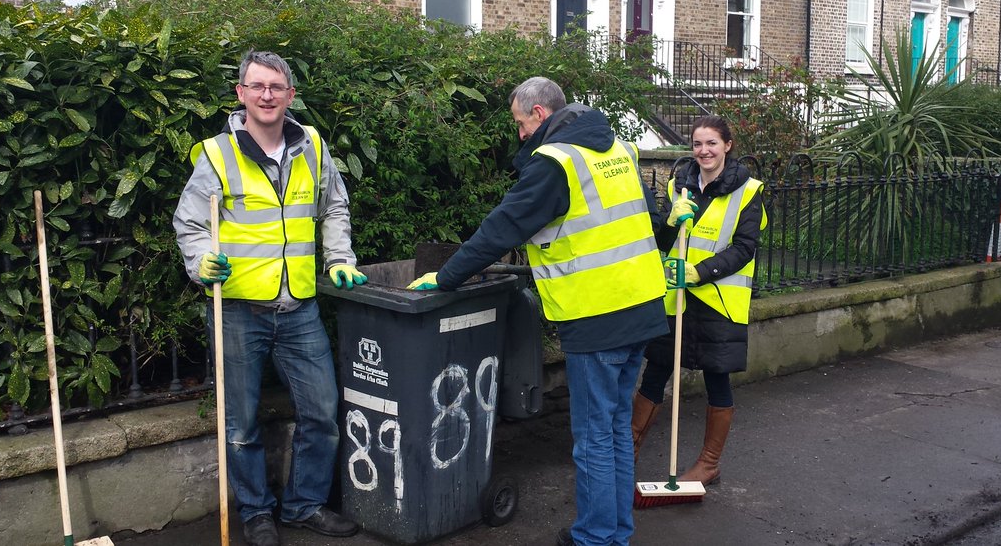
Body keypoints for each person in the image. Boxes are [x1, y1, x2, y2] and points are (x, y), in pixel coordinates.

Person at [406, 77, 667, 546]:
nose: (520, 134)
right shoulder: (618, 150)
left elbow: (500, 230)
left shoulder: (556, 162)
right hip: (643, 306)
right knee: (613, 430)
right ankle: (614, 534)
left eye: (520, 123)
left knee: (594, 437)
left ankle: (595, 539)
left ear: (540, 116)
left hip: (598, 316)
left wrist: (445, 277)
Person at [174, 50, 367, 546]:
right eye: (256, 86)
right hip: (238, 307)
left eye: (275, 87)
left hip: (299, 306)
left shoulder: (313, 148)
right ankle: (257, 514)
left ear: (289, 95)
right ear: (240, 94)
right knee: (241, 422)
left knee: (323, 411)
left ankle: (303, 504)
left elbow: (335, 206)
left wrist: (339, 259)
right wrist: (200, 263)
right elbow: (191, 224)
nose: (266, 95)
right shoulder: (217, 153)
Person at [631, 115, 766, 487]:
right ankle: (628, 451)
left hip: (718, 300)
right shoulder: (680, 183)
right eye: (697, 144)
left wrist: (699, 272)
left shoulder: (749, 191)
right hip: (675, 298)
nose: (703, 151)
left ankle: (709, 464)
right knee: (656, 369)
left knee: (716, 377)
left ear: (727, 145)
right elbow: (661, 241)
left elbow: (744, 248)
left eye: (711, 143)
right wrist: (671, 220)